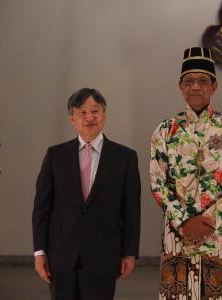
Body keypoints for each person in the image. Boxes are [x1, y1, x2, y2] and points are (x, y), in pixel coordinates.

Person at [150, 47, 222, 299]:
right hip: (179, 233)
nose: (195, 87)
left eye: (203, 81)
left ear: (214, 86)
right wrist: (185, 221)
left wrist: (209, 221)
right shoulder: (165, 131)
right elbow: (158, 183)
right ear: (180, 86)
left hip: (218, 234)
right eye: (189, 81)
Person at [32, 88, 141, 300]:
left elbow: (131, 211)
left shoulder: (124, 157)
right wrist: (39, 252)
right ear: (72, 118)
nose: (89, 117)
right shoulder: (55, 156)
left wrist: (129, 252)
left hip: (104, 254)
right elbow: (41, 208)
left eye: (95, 111)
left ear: (104, 115)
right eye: (82, 112)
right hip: (61, 253)